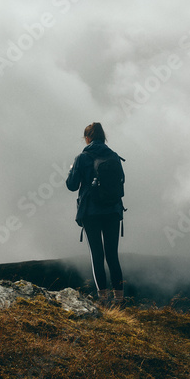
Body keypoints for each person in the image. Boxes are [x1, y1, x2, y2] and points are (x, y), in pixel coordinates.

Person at [66, 122, 125, 306]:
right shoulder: (114, 156)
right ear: (103, 137)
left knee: (97, 255)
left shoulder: (82, 158)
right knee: (112, 255)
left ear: (88, 138)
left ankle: (103, 299)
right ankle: (120, 299)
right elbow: (121, 182)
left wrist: (71, 170)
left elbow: (72, 185)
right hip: (113, 210)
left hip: (91, 212)